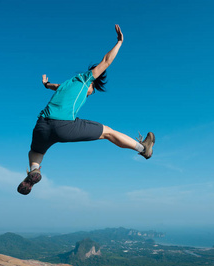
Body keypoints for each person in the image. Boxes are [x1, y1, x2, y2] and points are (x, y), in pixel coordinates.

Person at [17, 25, 155, 195]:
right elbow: (106, 61)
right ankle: (144, 149)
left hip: (41, 126)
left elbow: (56, 86)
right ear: (91, 82)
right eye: (92, 90)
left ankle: (34, 170)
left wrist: (46, 85)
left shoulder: (66, 85)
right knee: (108, 132)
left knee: (36, 151)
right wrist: (119, 42)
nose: (90, 93)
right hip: (64, 125)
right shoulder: (85, 79)